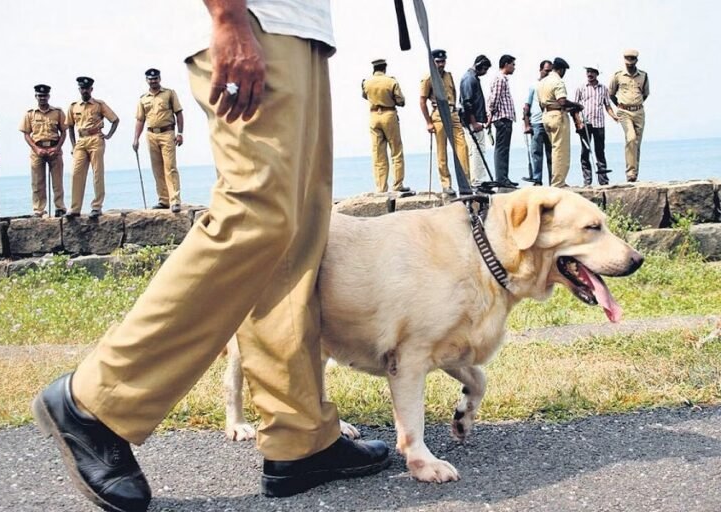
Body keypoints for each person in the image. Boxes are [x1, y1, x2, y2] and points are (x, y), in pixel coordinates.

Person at [32, 2, 390, 511]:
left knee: (297, 234)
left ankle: (300, 437)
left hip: (301, 28)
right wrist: (228, 18)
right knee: (255, 213)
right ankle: (95, 401)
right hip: (254, 21)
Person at [65, 76, 119, 219]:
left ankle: (96, 206)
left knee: (97, 174)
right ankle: (75, 208)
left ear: (91, 89)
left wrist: (108, 135)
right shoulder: (73, 106)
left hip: (96, 139)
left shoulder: (99, 105)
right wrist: (73, 144)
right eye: (82, 88)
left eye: (87, 88)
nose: (84, 91)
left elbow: (115, 120)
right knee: (76, 174)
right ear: (79, 89)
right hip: (81, 141)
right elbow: (69, 126)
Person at [133, 68, 185, 212]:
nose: (153, 81)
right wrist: (135, 138)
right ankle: (163, 200)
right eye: (150, 79)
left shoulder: (169, 93)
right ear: (146, 80)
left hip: (167, 133)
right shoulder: (143, 98)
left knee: (170, 167)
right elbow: (140, 120)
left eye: (155, 78)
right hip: (151, 135)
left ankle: (175, 200)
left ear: (159, 79)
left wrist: (180, 133)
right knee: (157, 169)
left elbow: (179, 114)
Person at [419, 48, 470, 196]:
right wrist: (428, 122)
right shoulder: (428, 78)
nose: (441, 64)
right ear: (433, 62)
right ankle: (446, 184)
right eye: (438, 62)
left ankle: (465, 181)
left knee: (463, 147)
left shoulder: (449, 76)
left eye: (443, 61)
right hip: (438, 114)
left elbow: (454, 94)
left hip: (453, 113)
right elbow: (422, 101)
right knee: (442, 151)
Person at [19, 84, 68, 217]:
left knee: (57, 181)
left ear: (48, 96)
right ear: (36, 96)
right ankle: (39, 210)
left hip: (54, 149)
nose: (42, 98)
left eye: (44, 96)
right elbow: (26, 134)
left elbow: (64, 132)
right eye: (40, 96)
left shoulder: (58, 112)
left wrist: (57, 148)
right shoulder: (30, 114)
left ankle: (60, 207)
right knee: (37, 182)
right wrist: (36, 148)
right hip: (37, 151)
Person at [361, 58, 409, 193]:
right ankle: (398, 185)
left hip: (374, 115)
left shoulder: (366, 82)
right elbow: (401, 101)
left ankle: (381, 187)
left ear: (374, 68)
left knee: (378, 153)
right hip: (389, 115)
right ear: (385, 68)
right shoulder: (391, 81)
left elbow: (365, 96)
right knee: (396, 151)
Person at [537, 57, 584, 188]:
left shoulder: (542, 82)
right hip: (558, 116)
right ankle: (558, 183)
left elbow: (542, 102)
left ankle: (556, 180)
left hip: (546, 115)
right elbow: (562, 101)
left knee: (554, 148)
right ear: (561, 70)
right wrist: (576, 105)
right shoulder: (557, 81)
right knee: (560, 150)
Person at [609, 49, 649, 182]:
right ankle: (630, 172)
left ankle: (634, 174)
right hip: (624, 112)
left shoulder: (643, 76)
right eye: (627, 61)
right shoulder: (618, 75)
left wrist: (636, 104)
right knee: (631, 138)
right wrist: (620, 106)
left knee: (637, 143)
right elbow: (611, 94)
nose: (630, 64)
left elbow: (645, 94)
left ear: (636, 61)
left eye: (632, 61)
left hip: (639, 112)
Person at [574, 66, 619, 186]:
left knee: (600, 151)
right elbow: (575, 108)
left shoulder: (603, 88)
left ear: (597, 74)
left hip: (599, 123)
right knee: (585, 152)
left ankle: (603, 180)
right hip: (585, 124)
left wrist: (614, 116)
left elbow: (607, 105)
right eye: (588, 72)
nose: (590, 74)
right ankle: (587, 180)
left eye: (592, 72)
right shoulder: (581, 88)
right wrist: (578, 122)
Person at [459, 54, 492, 186]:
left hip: (476, 120)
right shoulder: (469, 79)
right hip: (473, 122)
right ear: (479, 66)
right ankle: (477, 179)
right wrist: (474, 122)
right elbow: (467, 103)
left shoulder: (473, 78)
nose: (485, 72)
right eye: (484, 69)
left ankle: (477, 178)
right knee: (477, 149)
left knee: (477, 149)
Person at [487, 54, 518, 188]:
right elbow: (494, 99)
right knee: (501, 149)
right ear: (506, 64)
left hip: (505, 118)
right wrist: (491, 116)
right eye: (512, 64)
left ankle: (504, 177)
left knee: (504, 149)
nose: (514, 67)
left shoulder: (503, 79)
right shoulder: (500, 79)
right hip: (502, 118)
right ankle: (501, 178)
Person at [523, 60, 553, 185]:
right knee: (536, 153)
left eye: (550, 71)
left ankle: (553, 180)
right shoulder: (534, 86)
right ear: (541, 70)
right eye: (546, 71)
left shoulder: (552, 85)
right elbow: (526, 107)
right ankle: (537, 180)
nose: (548, 73)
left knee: (552, 153)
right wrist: (527, 125)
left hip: (549, 122)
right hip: (536, 122)